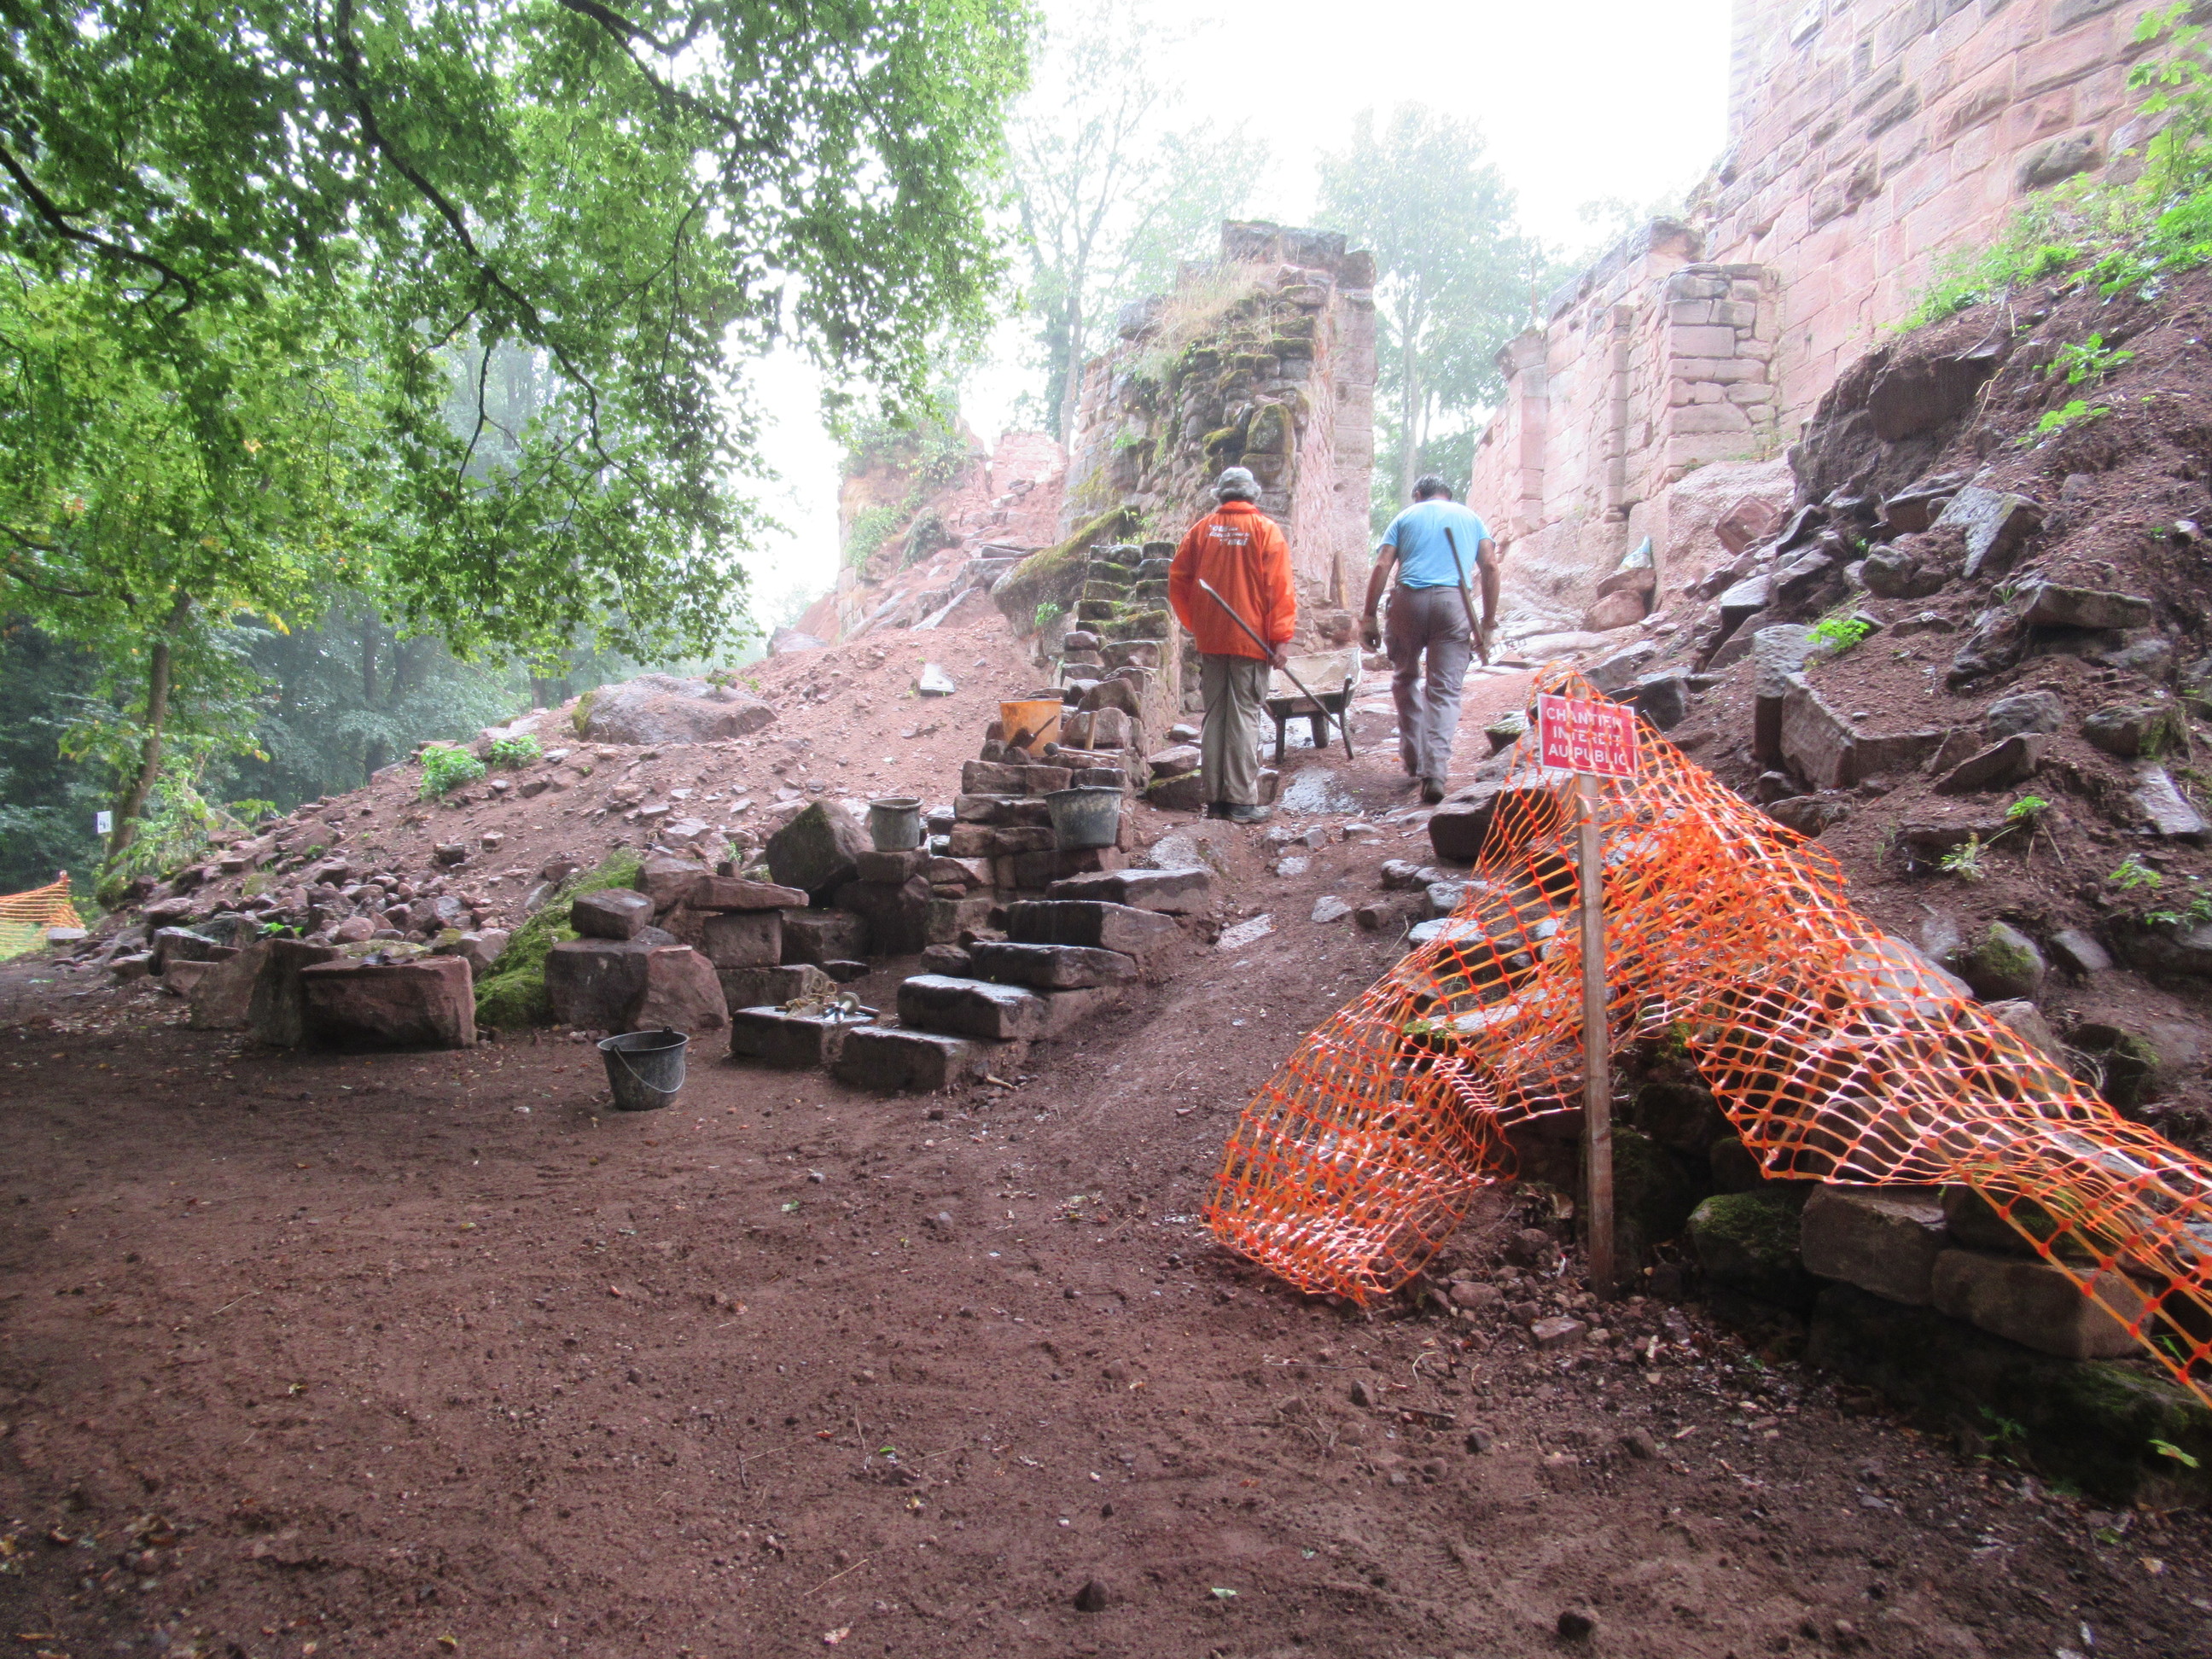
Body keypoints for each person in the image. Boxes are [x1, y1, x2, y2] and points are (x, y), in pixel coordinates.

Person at [1167, 466, 1295, 824]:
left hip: (1212, 640)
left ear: (1220, 495)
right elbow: (1279, 590)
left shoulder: (1201, 531)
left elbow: (1178, 581)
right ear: (1252, 494)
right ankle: (1239, 802)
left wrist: (1198, 624)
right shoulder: (1265, 531)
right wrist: (1281, 638)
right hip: (1250, 641)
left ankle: (1215, 802)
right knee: (1243, 717)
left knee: (1216, 717)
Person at [1361, 475, 1497, 804]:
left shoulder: (1405, 517)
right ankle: (1434, 771)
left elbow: (1382, 564)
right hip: (1454, 603)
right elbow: (1490, 567)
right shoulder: (1472, 518)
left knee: (1405, 677)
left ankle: (1413, 757)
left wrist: (1368, 616)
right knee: (1445, 690)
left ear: (1419, 494)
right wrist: (1488, 623)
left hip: (1408, 602)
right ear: (1448, 494)